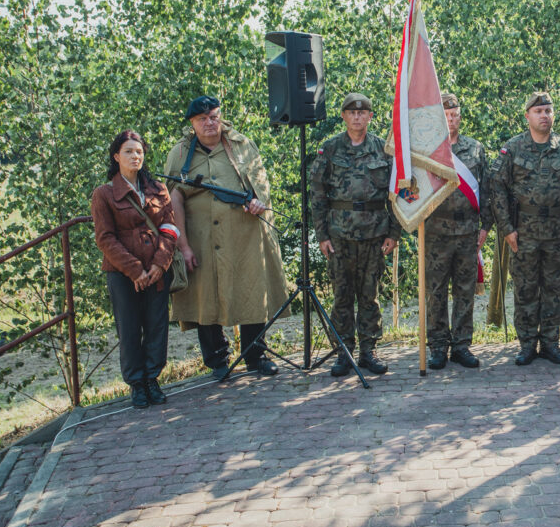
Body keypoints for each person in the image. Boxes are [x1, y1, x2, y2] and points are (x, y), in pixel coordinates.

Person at [164, 96, 288, 379]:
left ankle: (256, 357)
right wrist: (183, 246)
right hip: (200, 237)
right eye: (202, 119)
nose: (209, 123)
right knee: (205, 296)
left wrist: (259, 200)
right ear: (192, 123)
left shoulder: (242, 145)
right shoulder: (180, 152)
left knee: (251, 292)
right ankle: (218, 361)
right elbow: (174, 199)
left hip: (245, 234)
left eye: (214, 116)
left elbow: (261, 183)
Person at [491, 91, 560, 365]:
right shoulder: (513, 148)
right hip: (523, 232)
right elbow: (497, 188)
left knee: (552, 291)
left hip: (558, 231)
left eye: (548, 111)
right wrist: (506, 228)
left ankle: (550, 344)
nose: (544, 116)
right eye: (538, 111)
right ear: (528, 116)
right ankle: (526, 346)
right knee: (525, 290)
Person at [310, 92, 399, 377]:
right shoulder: (330, 149)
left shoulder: (384, 150)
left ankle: (368, 351)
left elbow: (397, 194)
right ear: (344, 116)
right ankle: (344, 352)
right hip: (340, 236)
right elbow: (318, 194)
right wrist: (322, 235)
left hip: (374, 235)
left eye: (363, 113)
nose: (357, 117)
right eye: (352, 113)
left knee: (370, 296)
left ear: (370, 117)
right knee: (342, 296)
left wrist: (394, 233)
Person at [91, 131, 177, 408]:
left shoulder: (158, 189)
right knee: (129, 329)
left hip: (157, 271)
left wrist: (159, 264)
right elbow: (105, 238)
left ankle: (153, 379)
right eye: (128, 151)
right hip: (122, 274)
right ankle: (137, 385)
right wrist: (135, 270)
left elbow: (169, 228)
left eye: (139, 151)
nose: (135, 156)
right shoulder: (103, 195)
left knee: (156, 326)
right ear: (116, 157)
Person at [424, 93, 492, 370]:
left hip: (467, 231)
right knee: (436, 292)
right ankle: (438, 346)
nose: (452, 120)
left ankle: (462, 345)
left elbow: (487, 190)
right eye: (447, 115)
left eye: (456, 115)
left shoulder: (475, 149)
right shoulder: (427, 150)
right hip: (435, 232)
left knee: (464, 291)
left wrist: (486, 226)